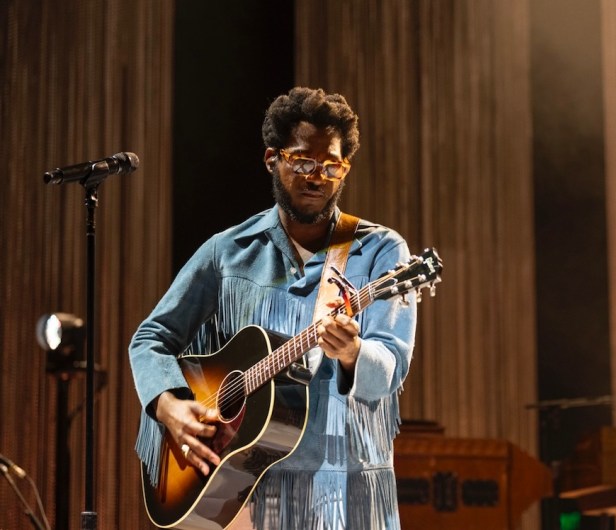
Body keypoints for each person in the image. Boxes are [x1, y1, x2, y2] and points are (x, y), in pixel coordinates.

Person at [129, 87, 417, 529]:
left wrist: (353, 353)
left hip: (351, 491)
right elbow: (151, 339)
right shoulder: (227, 252)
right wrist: (170, 405)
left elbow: (390, 369)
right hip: (247, 492)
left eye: (331, 166)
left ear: (345, 170)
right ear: (272, 159)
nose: (316, 176)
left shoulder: (380, 252)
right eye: (302, 162)